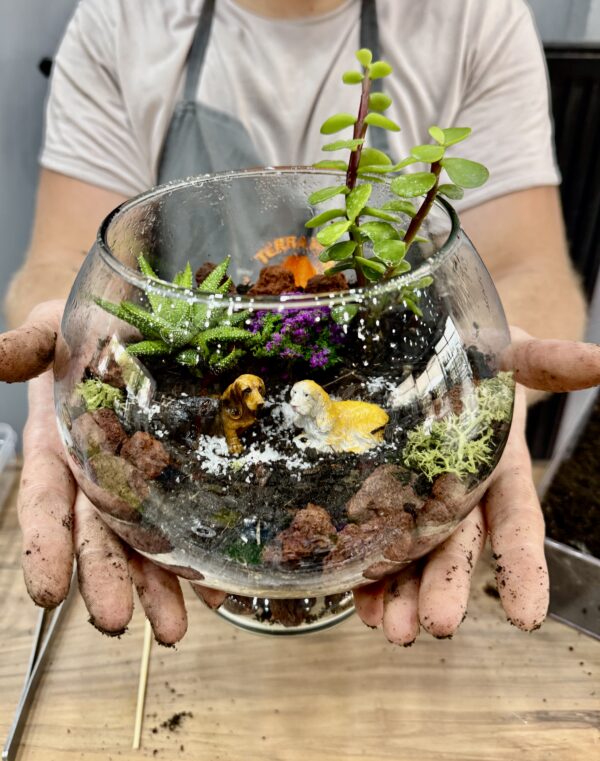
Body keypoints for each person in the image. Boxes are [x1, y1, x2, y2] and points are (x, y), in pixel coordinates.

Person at [1, 0, 599, 647]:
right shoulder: (121, 18)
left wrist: (477, 375)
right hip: (207, 608)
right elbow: (64, 260)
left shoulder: (474, 17)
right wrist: (71, 332)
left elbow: (527, 266)